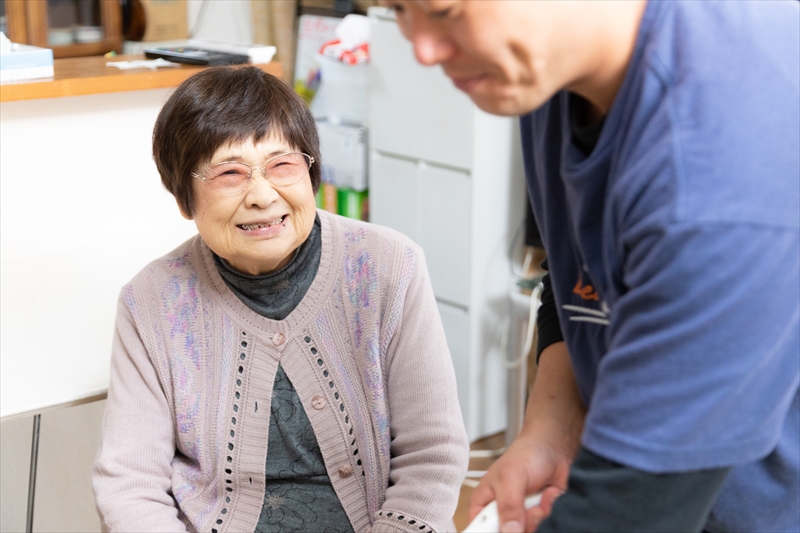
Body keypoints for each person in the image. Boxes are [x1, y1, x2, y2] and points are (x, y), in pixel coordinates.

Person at [384, 1, 800, 532]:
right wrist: (554, 419)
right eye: (398, 8)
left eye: (444, 10)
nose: (422, 49)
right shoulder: (551, 70)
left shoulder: (712, 164)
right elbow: (579, 268)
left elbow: (629, 514)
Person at [92, 66, 469, 533]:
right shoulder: (151, 301)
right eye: (229, 173)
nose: (262, 195)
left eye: (282, 164)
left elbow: (433, 456)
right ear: (184, 197)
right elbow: (130, 483)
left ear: (311, 175)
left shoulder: (388, 267)